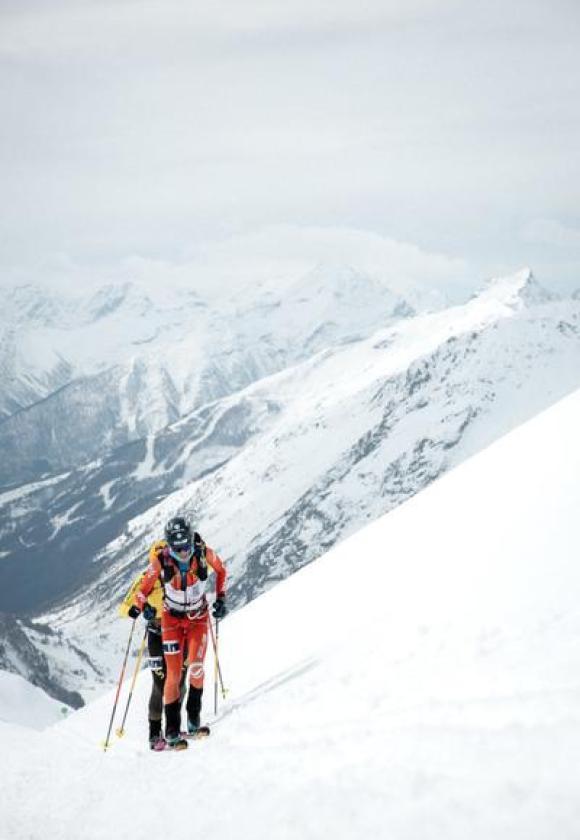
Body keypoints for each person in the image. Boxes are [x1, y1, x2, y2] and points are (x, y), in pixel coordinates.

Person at [128, 517, 227, 750]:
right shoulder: (160, 560)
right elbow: (142, 589)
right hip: (171, 620)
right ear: (169, 544)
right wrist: (141, 607)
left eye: (185, 546)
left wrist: (221, 598)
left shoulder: (203, 554)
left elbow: (222, 570)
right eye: (177, 547)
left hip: (198, 618)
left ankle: (194, 720)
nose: (182, 552)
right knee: (173, 674)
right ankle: (171, 731)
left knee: (196, 666)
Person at [120, 540, 187, 751]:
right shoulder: (146, 578)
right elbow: (125, 607)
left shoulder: (179, 573)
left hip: (178, 633)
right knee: (160, 685)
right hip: (157, 634)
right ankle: (154, 734)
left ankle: (173, 729)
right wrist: (142, 610)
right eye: (158, 558)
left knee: (179, 683)